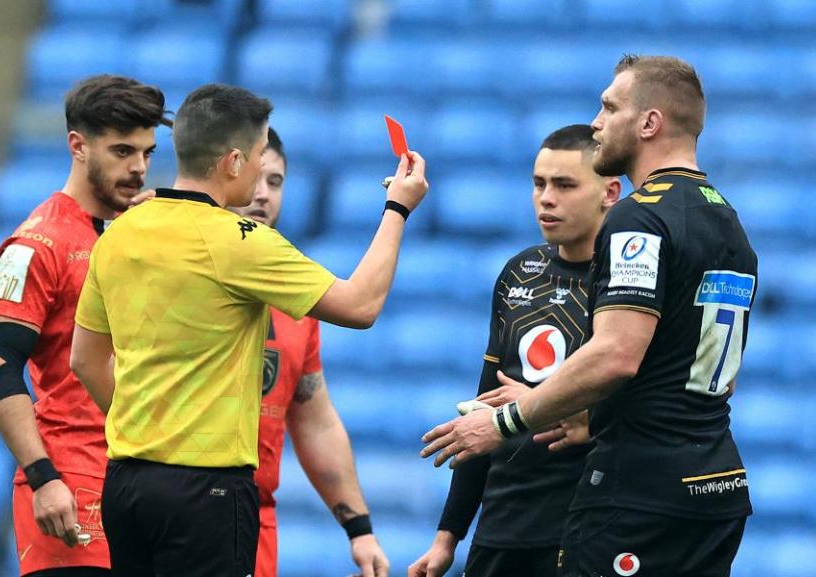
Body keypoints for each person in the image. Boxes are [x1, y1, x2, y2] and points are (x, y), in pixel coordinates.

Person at [69, 84, 428, 577]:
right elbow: (361, 305)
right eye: (260, 157)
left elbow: (84, 360)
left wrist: (150, 431)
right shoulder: (242, 242)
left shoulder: (120, 233)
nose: (261, 173)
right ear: (234, 161)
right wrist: (398, 208)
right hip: (206, 493)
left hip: (126, 483)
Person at [420, 54, 758, 577]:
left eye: (608, 106)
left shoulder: (640, 215)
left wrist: (508, 419)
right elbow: (709, 374)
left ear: (649, 123)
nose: (597, 122)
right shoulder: (726, 221)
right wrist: (588, 417)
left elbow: (617, 354)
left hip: (641, 492)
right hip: (715, 485)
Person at [408, 125, 620, 577]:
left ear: (610, 192)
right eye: (539, 183)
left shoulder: (627, 287)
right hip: (501, 527)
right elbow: (482, 406)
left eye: (565, 185)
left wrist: (581, 418)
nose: (546, 198)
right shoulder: (519, 273)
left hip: (582, 525)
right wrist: (448, 536)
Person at [0, 74, 169, 576]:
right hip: (74, 490)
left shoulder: (130, 235)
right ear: (77, 146)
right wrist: (43, 478)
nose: (139, 168)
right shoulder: (37, 244)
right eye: (123, 151)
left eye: (147, 153)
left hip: (140, 482)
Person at [232, 128, 390, 577]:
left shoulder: (296, 297)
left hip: (252, 520)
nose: (262, 195)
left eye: (276, 182)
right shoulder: (176, 268)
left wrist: (359, 528)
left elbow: (314, 419)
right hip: (179, 507)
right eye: (253, 178)